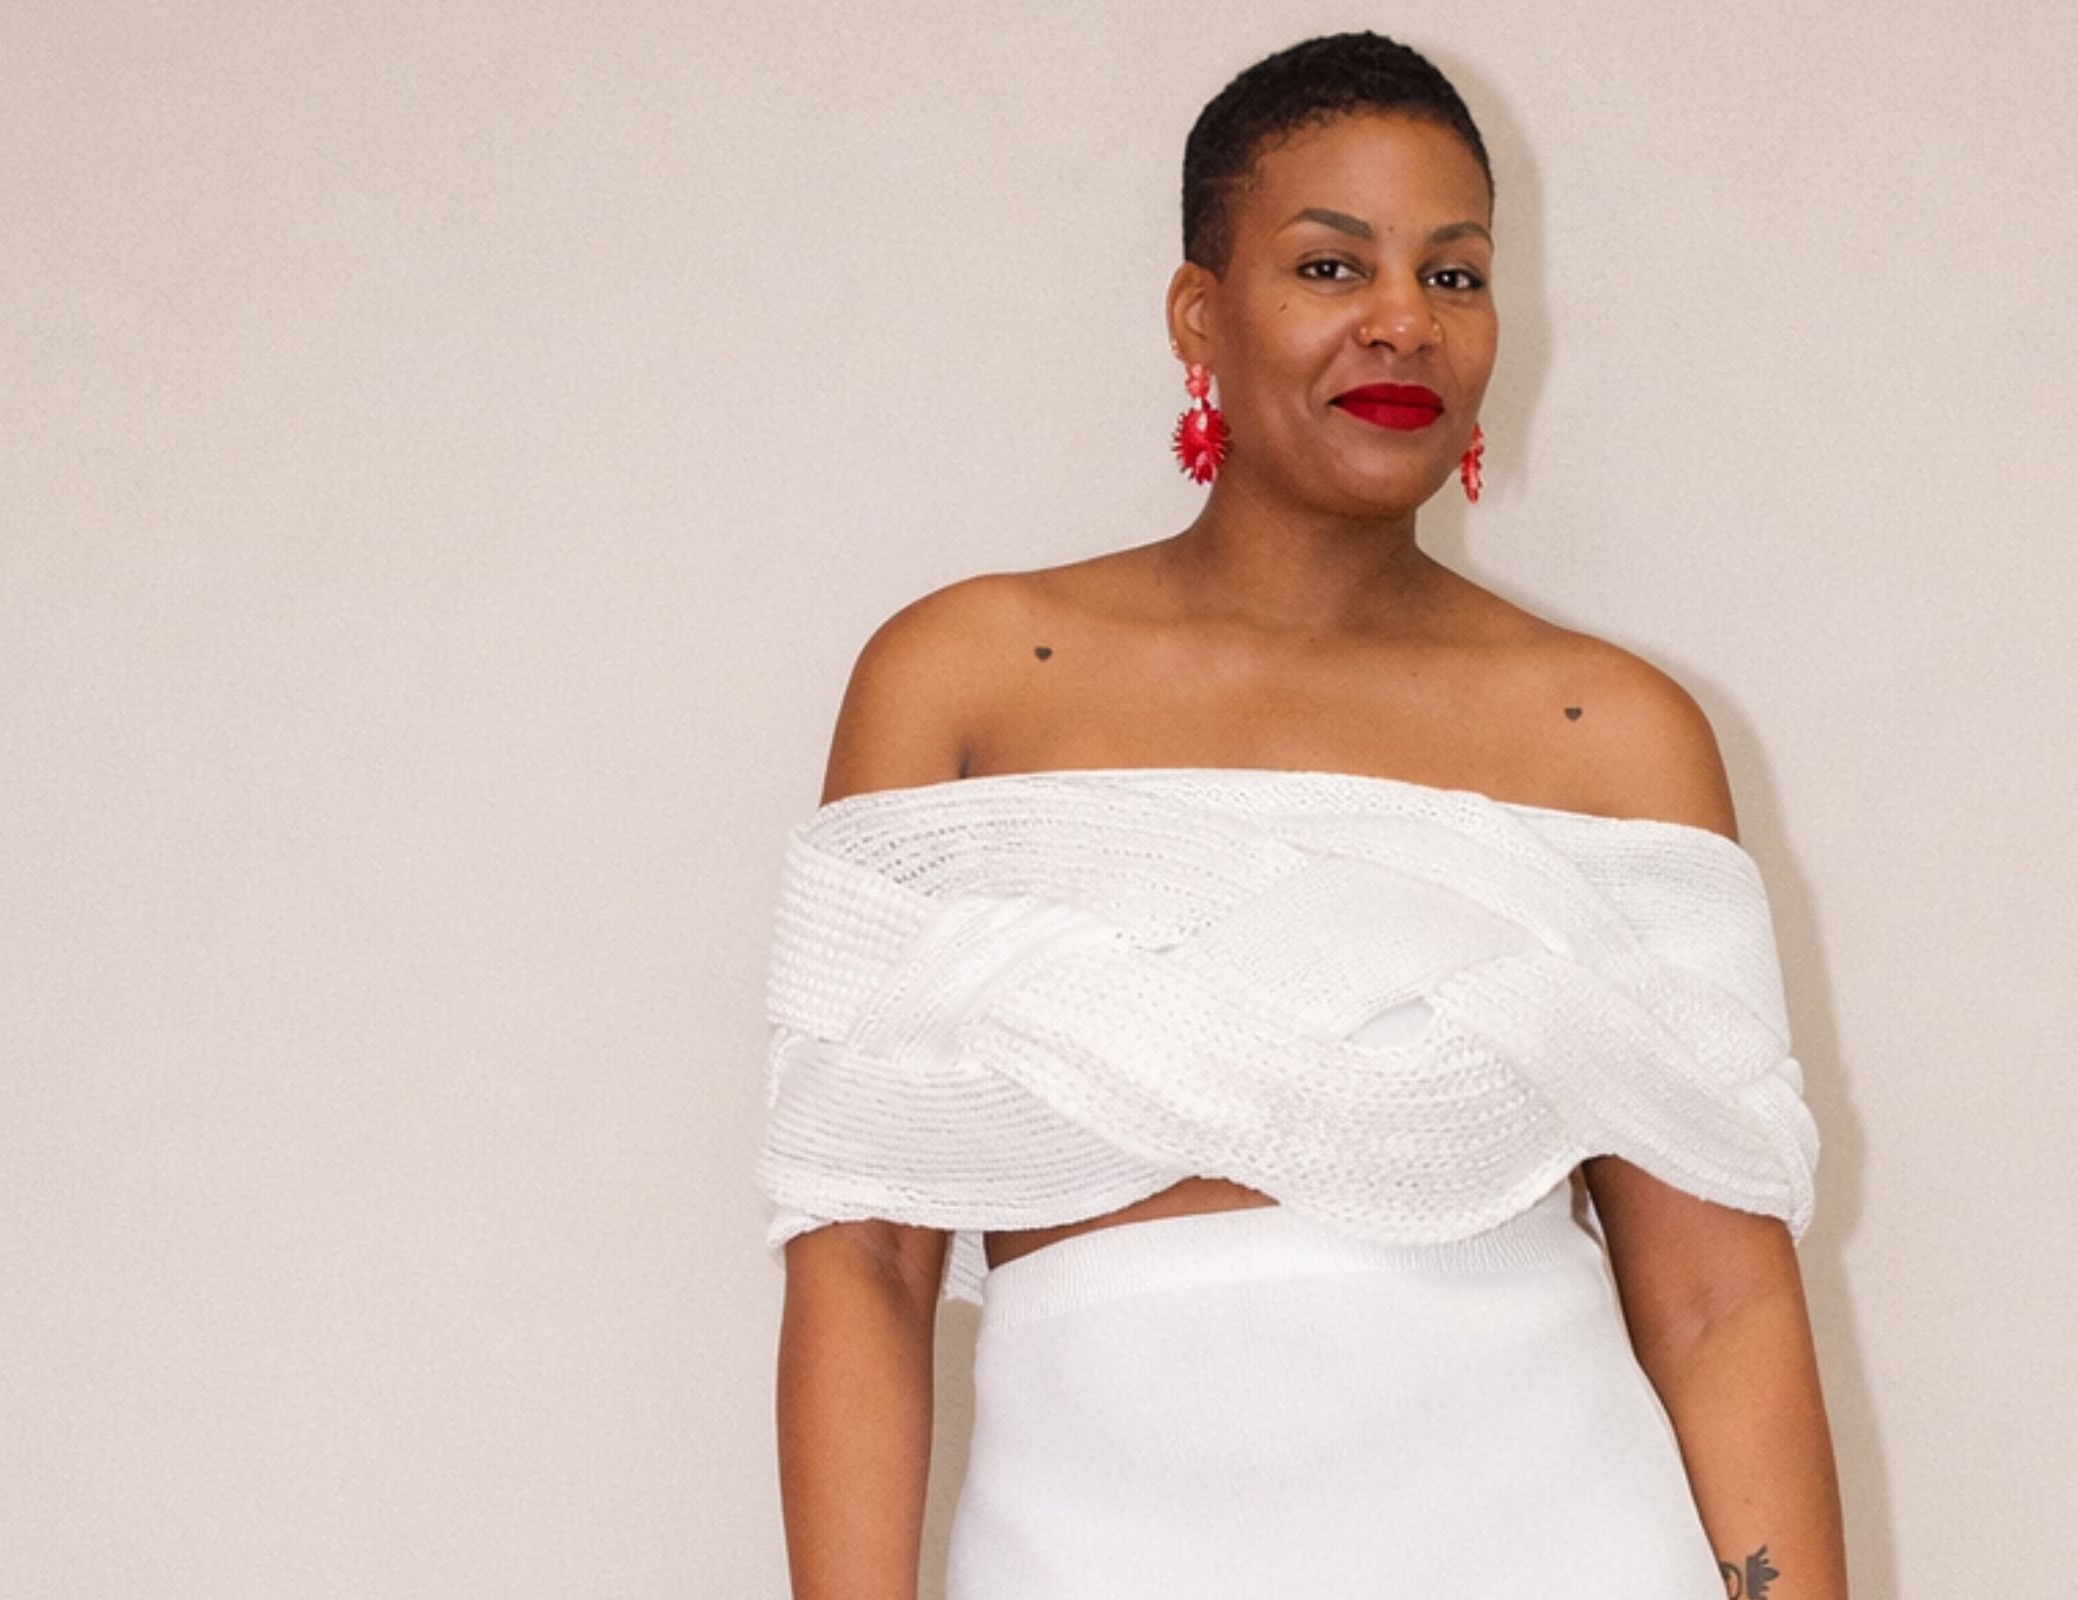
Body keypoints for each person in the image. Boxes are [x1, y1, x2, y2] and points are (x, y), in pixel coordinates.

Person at [764, 31, 1846, 1600]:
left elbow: (1719, 1305)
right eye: (1332, 265)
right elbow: (858, 1260)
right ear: (1200, 311)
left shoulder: (1609, 733)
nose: (1404, 319)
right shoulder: (969, 678)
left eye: (1456, 276)